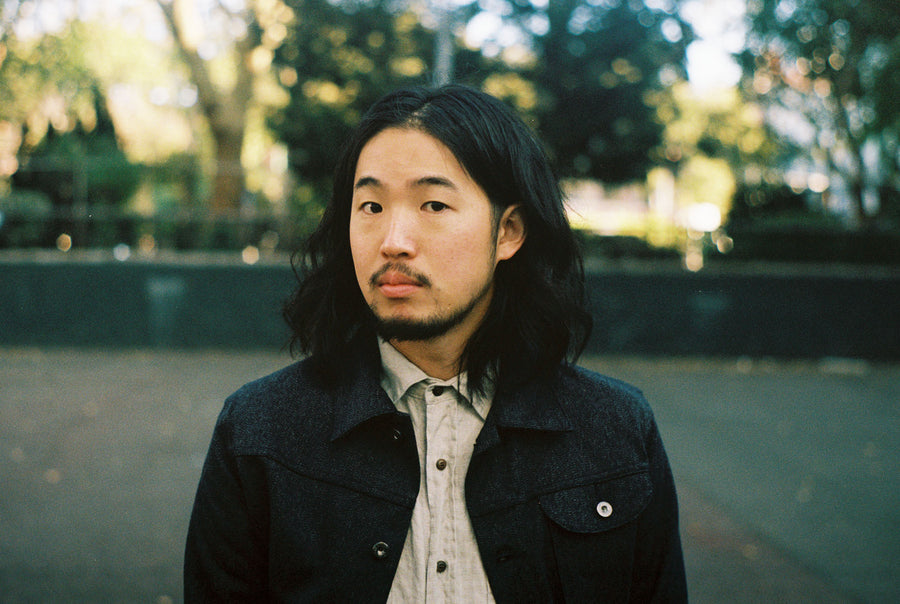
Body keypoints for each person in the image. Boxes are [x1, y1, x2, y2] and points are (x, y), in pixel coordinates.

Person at [184, 84, 687, 602]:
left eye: (433, 204)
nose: (394, 240)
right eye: (371, 205)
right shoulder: (258, 432)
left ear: (508, 231)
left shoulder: (616, 432)